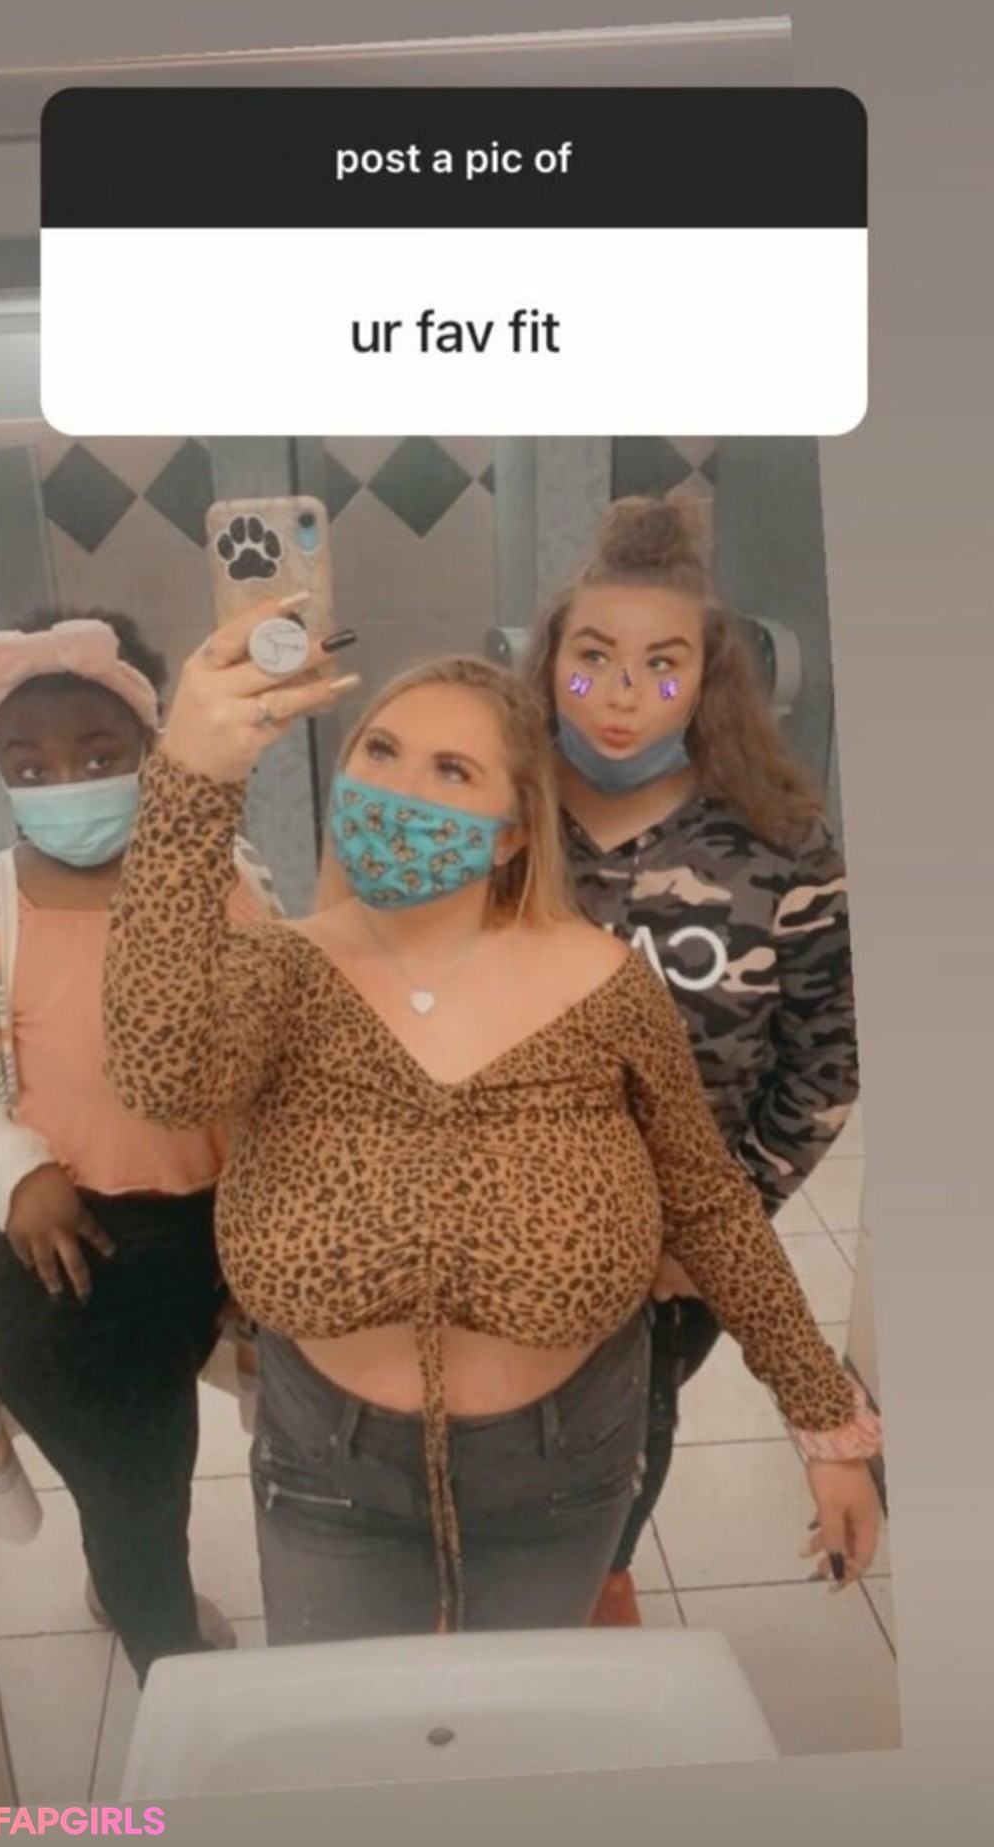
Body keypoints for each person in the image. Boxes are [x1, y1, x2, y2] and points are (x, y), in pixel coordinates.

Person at [101, 604, 883, 1647]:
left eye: (453, 770)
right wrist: (192, 781)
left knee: (521, 1713)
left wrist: (826, 1420)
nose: (402, 790)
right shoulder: (280, 973)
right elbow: (157, 1074)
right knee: (354, 1722)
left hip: (563, 1468)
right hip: (328, 1473)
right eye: (381, 751)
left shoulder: (602, 986)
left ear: (513, 831)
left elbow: (708, 1204)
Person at [0, 610, 282, 1686]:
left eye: (97, 754)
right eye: (30, 765)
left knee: (175, 1454)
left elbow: (281, 1037)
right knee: (138, 1477)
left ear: (154, 750)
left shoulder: (227, 877)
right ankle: (167, 1656)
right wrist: (12, 1167)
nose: (64, 782)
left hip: (215, 1231)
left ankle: (126, 1573)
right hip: (67, 1260)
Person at [517, 494, 863, 1624]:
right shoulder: (497, 820)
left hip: (680, 1254)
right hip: (501, 1223)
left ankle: (601, 1578)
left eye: (661, 665)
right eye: (593, 657)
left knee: (628, 1445)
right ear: (549, 662)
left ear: (707, 678)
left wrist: (723, 1218)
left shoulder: (782, 843)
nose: (622, 694)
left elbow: (827, 1060)